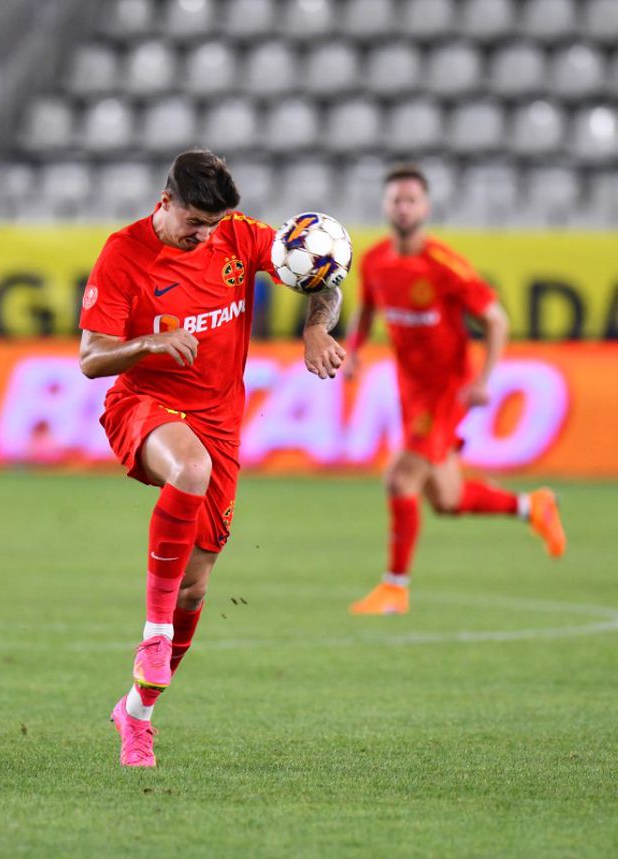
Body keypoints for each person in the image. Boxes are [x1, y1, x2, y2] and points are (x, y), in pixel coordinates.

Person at [78, 149, 345, 767]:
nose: (204, 234)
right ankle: (152, 637)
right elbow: (91, 357)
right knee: (189, 469)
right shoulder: (125, 254)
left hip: (221, 426)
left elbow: (323, 274)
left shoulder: (236, 236)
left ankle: (136, 717)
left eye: (213, 224)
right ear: (166, 200)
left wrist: (315, 328)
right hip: (143, 405)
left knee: (195, 591)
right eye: (195, 222)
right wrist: (151, 342)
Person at [344, 164, 566, 616]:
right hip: (411, 391)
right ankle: (532, 505)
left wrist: (484, 380)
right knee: (445, 498)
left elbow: (497, 319)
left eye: (411, 200)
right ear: (386, 206)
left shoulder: (444, 266)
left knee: (400, 477)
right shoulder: (374, 261)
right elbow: (366, 310)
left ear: (425, 208)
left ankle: (394, 589)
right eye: (396, 200)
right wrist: (353, 351)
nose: (403, 207)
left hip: (448, 391)